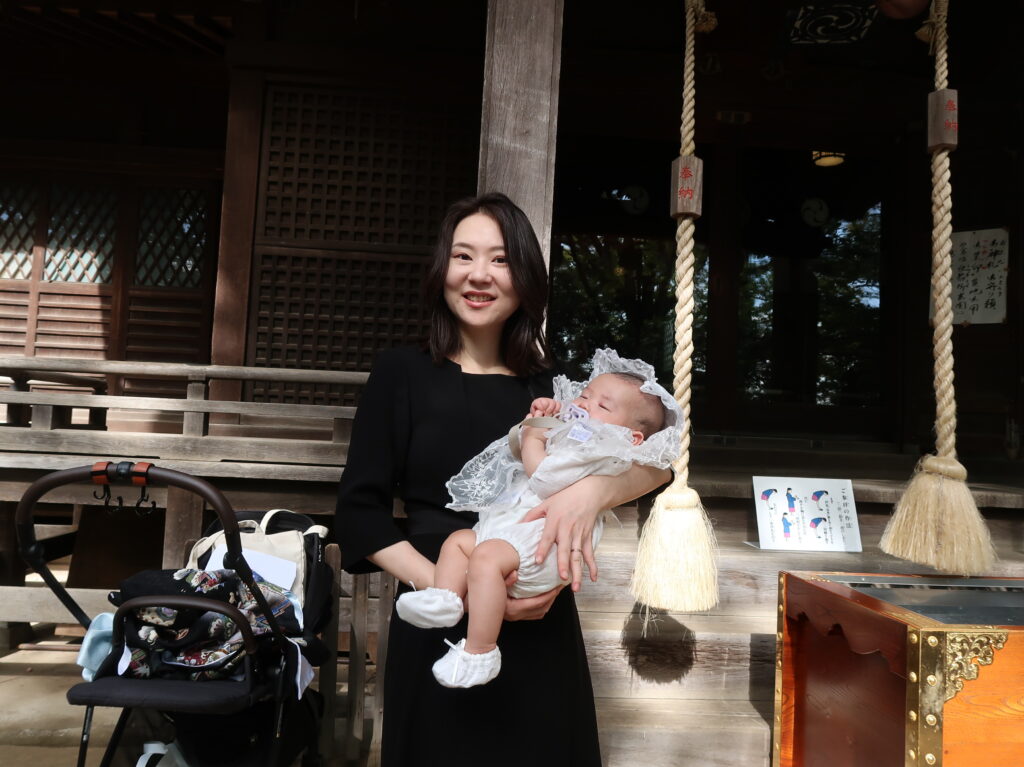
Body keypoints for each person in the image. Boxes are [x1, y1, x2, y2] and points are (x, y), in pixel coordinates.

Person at [334, 192, 671, 767]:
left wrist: (592, 494)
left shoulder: (553, 388)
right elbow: (358, 514)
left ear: (525, 277)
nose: (479, 275)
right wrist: (456, 591)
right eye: (463, 256)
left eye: (500, 260)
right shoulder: (400, 373)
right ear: (442, 269)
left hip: (538, 614)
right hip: (438, 607)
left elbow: (658, 461)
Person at [394, 351, 683, 688]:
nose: (584, 404)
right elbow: (517, 452)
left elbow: (544, 477)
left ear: (632, 438)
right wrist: (543, 420)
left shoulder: (598, 451)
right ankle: (446, 599)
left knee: (485, 558)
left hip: (540, 540)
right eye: (585, 395)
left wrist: (534, 435)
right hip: (511, 530)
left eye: (603, 406)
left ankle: (480, 651)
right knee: (459, 542)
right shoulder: (575, 436)